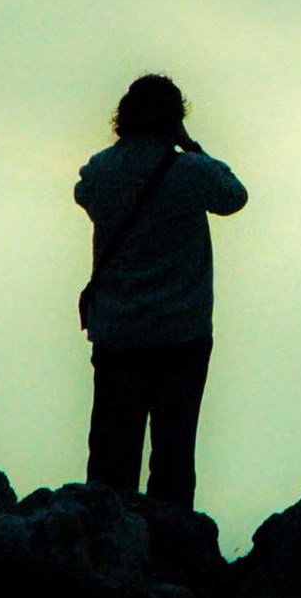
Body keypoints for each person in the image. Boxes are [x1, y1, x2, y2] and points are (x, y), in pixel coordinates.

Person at [75, 74, 247, 510]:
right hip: (181, 331)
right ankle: (172, 553)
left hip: (118, 331)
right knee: (173, 454)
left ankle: (108, 549)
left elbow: (83, 194)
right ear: (176, 118)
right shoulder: (190, 172)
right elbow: (234, 196)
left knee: (112, 456)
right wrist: (190, 146)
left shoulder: (101, 170)